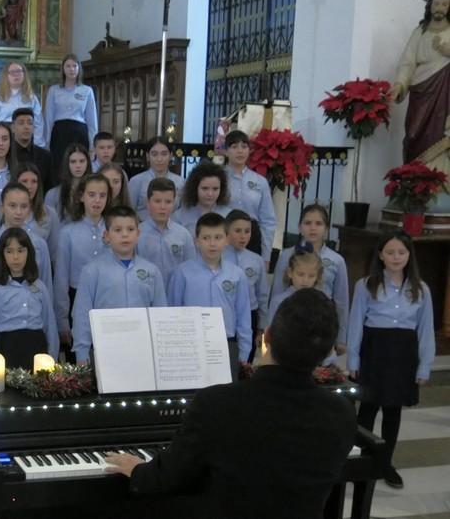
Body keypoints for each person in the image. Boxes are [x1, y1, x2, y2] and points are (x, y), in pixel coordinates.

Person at [104, 288, 357, 519]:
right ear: (326, 353)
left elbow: (167, 476)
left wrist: (139, 471)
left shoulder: (216, 403)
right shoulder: (341, 412)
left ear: (265, 338)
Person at [347, 231, 435, 489]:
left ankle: (385, 463)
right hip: (375, 351)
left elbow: (425, 330)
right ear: (380, 255)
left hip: (403, 354)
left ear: (409, 256)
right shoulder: (366, 285)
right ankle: (361, 458)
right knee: (368, 408)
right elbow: (356, 325)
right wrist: (353, 359)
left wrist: (424, 365)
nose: (396, 257)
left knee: (393, 411)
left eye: (401, 252)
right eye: (390, 252)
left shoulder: (421, 289)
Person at [72, 206, 166, 365]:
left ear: (138, 234)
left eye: (130, 229)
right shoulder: (92, 271)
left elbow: (160, 313)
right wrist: (82, 353)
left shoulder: (152, 271)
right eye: (117, 230)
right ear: (107, 235)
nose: (124, 234)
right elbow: (82, 315)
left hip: (143, 349)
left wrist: (161, 348)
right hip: (104, 349)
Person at [167, 213, 252, 379]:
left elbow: (243, 317)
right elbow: (173, 313)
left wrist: (243, 354)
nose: (212, 243)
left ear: (226, 239)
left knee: (225, 398)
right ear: (196, 240)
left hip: (227, 344)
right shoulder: (182, 273)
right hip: (191, 346)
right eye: (206, 238)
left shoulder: (237, 274)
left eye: (218, 237)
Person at [270, 204, 349, 355]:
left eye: (318, 224)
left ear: (326, 228)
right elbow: (277, 292)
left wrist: (341, 338)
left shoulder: (336, 260)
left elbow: (341, 303)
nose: (313, 228)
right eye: (307, 223)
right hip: (291, 324)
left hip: (322, 324)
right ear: (300, 227)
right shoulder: (287, 255)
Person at [0, 227, 58, 367]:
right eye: (9, 251)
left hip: (37, 350)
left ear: (29, 253)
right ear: (2, 255)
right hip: (6, 350)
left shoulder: (40, 287)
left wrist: (53, 358)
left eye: (21, 251)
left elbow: (49, 326)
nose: (15, 257)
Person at [54, 174, 110, 362]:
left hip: (107, 298)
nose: (97, 200)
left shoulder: (115, 229)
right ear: (81, 197)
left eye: (102, 195)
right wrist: (62, 320)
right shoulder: (68, 232)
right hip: (75, 297)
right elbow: (61, 278)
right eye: (91, 194)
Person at [393, 0, 450, 163]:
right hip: (421, 90)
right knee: (413, 133)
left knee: (442, 134)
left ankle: (441, 179)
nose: (440, 7)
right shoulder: (420, 31)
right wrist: (400, 84)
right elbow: (408, 62)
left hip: (445, 90)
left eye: (445, 4)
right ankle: (414, 179)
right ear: (430, 7)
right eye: (436, 3)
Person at [0, 183, 54, 300]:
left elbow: (46, 286)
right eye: (12, 206)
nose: (18, 212)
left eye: (24, 206)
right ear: (2, 207)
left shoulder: (39, 244)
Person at [223, 210, 269, 362]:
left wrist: (261, 326)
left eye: (247, 231)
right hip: (225, 313)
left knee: (245, 360)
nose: (243, 236)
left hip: (250, 314)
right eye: (237, 231)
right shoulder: (219, 257)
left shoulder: (256, 260)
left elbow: (262, 294)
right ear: (226, 231)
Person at [223, 130, 276, 265]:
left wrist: (266, 256)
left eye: (244, 146)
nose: (240, 151)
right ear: (226, 151)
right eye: (234, 147)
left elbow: (268, 221)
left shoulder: (260, 181)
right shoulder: (218, 178)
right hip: (224, 235)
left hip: (251, 237)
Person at [0, 164, 60, 254]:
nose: (29, 186)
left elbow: (54, 252)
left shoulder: (50, 213)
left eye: (34, 181)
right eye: (24, 181)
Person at [137, 177, 196, 289]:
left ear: (174, 203)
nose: (162, 207)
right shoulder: (137, 234)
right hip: (145, 292)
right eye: (157, 201)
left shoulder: (183, 235)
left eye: (168, 202)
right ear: (148, 203)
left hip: (175, 293)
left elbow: (191, 269)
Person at [44, 54, 98, 168]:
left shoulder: (87, 91)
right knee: (59, 165)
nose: (72, 69)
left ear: (79, 68)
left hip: (79, 132)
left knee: (77, 165)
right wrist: (47, 143)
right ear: (63, 69)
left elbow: (92, 120)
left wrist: (93, 145)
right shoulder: (54, 90)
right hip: (60, 132)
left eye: (74, 66)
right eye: (68, 66)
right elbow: (48, 117)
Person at [0, 61, 44, 147]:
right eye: (12, 72)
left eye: (19, 71)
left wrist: (37, 144)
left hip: (25, 139)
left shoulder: (31, 98)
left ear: (24, 75)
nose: (16, 75)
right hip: (4, 139)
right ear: (7, 76)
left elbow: (38, 123)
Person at [127, 137, 185, 218]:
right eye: (154, 154)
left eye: (164, 154)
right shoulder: (136, 181)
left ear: (171, 156)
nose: (159, 159)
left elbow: (183, 211)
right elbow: (129, 211)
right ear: (147, 156)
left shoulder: (180, 182)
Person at [173, 161, 232, 236]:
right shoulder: (179, 217)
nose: (210, 194)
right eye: (205, 188)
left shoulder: (229, 216)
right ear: (195, 188)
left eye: (215, 189)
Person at [11, 107, 54, 190]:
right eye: (21, 123)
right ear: (13, 127)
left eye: (30, 123)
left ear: (34, 127)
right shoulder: (6, 153)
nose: (26, 127)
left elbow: (50, 187)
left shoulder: (45, 156)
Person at [45, 143, 90, 221]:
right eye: (73, 162)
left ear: (88, 163)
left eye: (82, 161)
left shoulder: (94, 192)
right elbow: (47, 223)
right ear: (67, 163)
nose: (78, 165)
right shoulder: (52, 194)